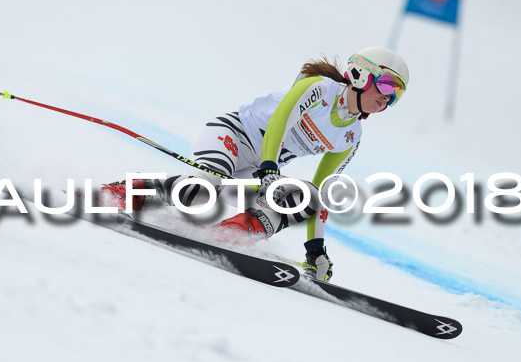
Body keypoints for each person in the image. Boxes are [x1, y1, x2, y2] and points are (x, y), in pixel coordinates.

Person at [103, 46, 409, 282]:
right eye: (385, 85)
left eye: (396, 95)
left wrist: (316, 249)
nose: (387, 99)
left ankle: (230, 235)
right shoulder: (319, 89)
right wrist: (269, 168)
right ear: (361, 74)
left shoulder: (351, 137)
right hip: (234, 137)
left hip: (262, 169)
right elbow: (280, 120)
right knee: (200, 192)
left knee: (304, 198)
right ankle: (128, 192)